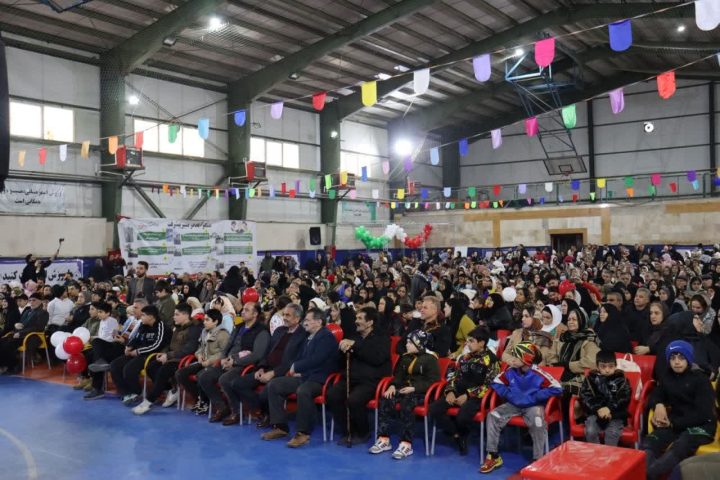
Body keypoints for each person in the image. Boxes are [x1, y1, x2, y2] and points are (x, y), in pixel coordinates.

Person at [480, 342, 562, 474]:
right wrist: (510, 395)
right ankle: (493, 456)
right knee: (493, 415)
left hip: (533, 406)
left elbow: (557, 388)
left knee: (538, 421)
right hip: (513, 405)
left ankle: (538, 459)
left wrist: (535, 397)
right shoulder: (510, 371)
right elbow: (496, 382)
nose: (511, 359)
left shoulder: (538, 373)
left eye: (516, 357)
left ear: (527, 359)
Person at [261, 308, 338, 448]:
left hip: (320, 379)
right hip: (305, 376)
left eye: (308, 320)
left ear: (319, 322)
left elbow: (317, 359)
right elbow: (301, 358)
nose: (305, 323)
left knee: (303, 390)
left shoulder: (326, 336)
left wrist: (296, 367)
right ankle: (281, 427)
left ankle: (303, 433)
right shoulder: (309, 336)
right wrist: (297, 370)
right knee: (275, 385)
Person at [222, 303, 308, 427]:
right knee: (237, 384)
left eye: (288, 315)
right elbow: (267, 352)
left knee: (265, 393)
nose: (284, 317)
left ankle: (268, 414)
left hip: (283, 372)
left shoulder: (302, 335)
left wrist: (273, 373)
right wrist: (261, 367)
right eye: (283, 314)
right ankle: (265, 411)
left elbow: (293, 361)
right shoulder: (279, 330)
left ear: (297, 318)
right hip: (267, 368)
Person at [643, 340, 716, 479]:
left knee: (682, 444)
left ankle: (647, 475)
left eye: (681, 357)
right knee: (650, 440)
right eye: (673, 358)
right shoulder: (667, 376)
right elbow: (655, 394)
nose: (677, 362)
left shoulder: (701, 380)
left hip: (701, 426)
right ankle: (645, 474)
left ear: (688, 359)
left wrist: (673, 423)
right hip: (674, 423)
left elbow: (704, 414)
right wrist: (658, 404)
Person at [369, 330, 440, 460]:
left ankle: (406, 443)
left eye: (410, 342)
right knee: (386, 399)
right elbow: (398, 377)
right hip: (403, 389)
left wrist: (414, 388)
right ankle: (384, 439)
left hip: (421, 393)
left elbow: (433, 382)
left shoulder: (431, 360)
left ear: (419, 344)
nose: (406, 344)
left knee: (406, 403)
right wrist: (392, 386)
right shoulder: (405, 357)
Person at [429, 327, 499, 455]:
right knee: (433, 409)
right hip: (457, 391)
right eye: (467, 340)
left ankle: (462, 433)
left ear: (482, 343)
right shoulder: (464, 358)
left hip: (478, 397)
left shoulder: (492, 360)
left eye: (471, 341)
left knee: (462, 416)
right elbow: (454, 377)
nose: (467, 344)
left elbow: (490, 385)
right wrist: (450, 391)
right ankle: (457, 434)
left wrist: (468, 395)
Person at [328, 307, 392, 446]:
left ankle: (363, 432)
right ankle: (348, 431)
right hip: (350, 378)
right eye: (356, 318)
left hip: (371, 381)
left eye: (359, 319)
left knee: (354, 400)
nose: (355, 321)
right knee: (332, 395)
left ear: (369, 323)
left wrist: (355, 346)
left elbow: (377, 358)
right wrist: (342, 350)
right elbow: (340, 362)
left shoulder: (382, 337)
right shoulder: (353, 336)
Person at [132, 302, 203, 415]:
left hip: (183, 360)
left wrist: (168, 356)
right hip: (172, 357)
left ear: (185, 315)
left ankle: (148, 401)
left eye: (176, 314)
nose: (173, 316)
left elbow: (189, 349)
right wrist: (163, 353)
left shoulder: (194, 329)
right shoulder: (177, 328)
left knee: (163, 370)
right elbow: (169, 345)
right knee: (151, 366)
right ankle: (172, 388)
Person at [205, 302, 270, 423]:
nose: (242, 312)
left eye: (246, 310)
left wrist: (234, 362)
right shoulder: (239, 326)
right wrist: (224, 357)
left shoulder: (262, 331)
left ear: (255, 314)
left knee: (225, 379)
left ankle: (236, 412)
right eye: (243, 309)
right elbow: (228, 345)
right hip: (228, 361)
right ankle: (222, 407)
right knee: (204, 377)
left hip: (245, 365)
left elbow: (257, 355)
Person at [107, 305, 169, 405]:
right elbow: (135, 338)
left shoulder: (161, 326)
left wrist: (138, 351)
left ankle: (136, 392)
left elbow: (157, 345)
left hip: (151, 354)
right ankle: (126, 393)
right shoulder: (143, 325)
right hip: (137, 352)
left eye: (143, 315)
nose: (141, 317)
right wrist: (129, 347)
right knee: (114, 365)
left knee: (129, 368)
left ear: (151, 317)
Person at [175, 309, 229, 415]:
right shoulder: (204, 332)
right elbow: (199, 348)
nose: (204, 322)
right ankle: (200, 399)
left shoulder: (223, 335)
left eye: (207, 320)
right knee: (180, 373)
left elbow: (224, 353)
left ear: (216, 322)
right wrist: (199, 355)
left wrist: (209, 361)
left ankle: (208, 402)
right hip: (203, 362)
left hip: (216, 364)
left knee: (201, 375)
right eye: (204, 320)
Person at [579, 350, 631, 446]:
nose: (607, 370)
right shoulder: (590, 379)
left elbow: (624, 398)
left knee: (612, 434)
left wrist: (609, 408)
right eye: (603, 366)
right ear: (597, 366)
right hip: (595, 414)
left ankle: (609, 458)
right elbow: (585, 396)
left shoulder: (622, 379)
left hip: (615, 415)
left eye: (611, 366)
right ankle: (596, 454)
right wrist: (598, 408)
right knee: (590, 431)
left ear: (615, 366)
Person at [548, 308, 600, 397]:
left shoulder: (589, 339)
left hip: (581, 377)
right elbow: (551, 357)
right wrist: (559, 368)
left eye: (574, 319)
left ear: (581, 321)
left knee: (566, 389)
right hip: (560, 375)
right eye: (569, 319)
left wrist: (568, 365)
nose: (570, 322)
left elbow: (592, 362)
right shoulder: (562, 338)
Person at [0, 293, 48, 374]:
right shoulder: (27, 311)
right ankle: (3, 365)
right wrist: (16, 325)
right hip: (18, 334)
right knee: (1, 342)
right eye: (30, 300)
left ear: (40, 301)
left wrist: (21, 333)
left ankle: (13, 365)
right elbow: (20, 323)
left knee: (8, 345)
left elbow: (38, 327)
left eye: (34, 300)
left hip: (32, 336)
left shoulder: (43, 313)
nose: (32, 302)